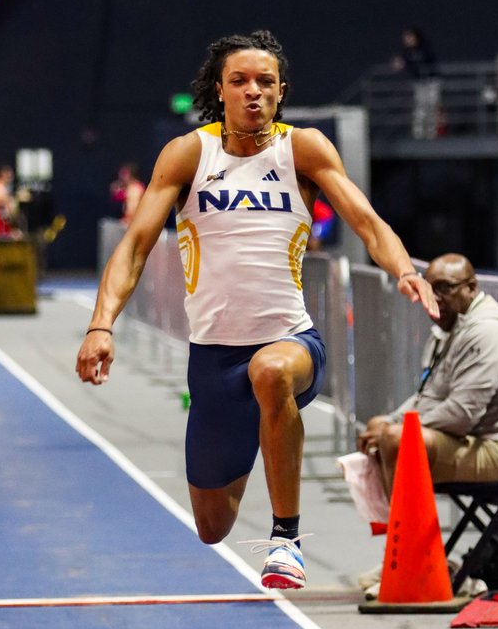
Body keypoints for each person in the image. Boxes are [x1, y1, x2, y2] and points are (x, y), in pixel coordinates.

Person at [76, 29, 437, 590]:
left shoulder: (304, 149)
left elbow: (367, 223)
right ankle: (259, 432)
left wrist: (405, 270)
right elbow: (136, 246)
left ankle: (286, 540)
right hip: (214, 360)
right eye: (240, 81)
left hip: (291, 342)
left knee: (270, 373)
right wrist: (101, 325)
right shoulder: (189, 154)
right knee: (212, 525)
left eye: (265, 82)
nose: (253, 91)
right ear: (219, 90)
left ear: (280, 91)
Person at [357, 254, 498, 497]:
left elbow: (461, 415)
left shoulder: (489, 333)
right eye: (429, 288)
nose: (434, 297)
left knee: (396, 440)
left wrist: (396, 429)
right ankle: (395, 519)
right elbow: (429, 396)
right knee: (379, 426)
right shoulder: (454, 328)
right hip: (476, 439)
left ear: (471, 288)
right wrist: (391, 421)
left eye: (444, 288)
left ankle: (402, 522)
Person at [392, 26, 441, 139]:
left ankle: (431, 134)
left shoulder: (424, 47)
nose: (406, 40)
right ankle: (418, 135)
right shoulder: (406, 51)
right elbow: (402, 63)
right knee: (420, 108)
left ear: (414, 37)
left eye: (408, 37)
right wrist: (401, 64)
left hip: (431, 82)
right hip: (419, 83)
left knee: (432, 107)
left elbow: (427, 61)